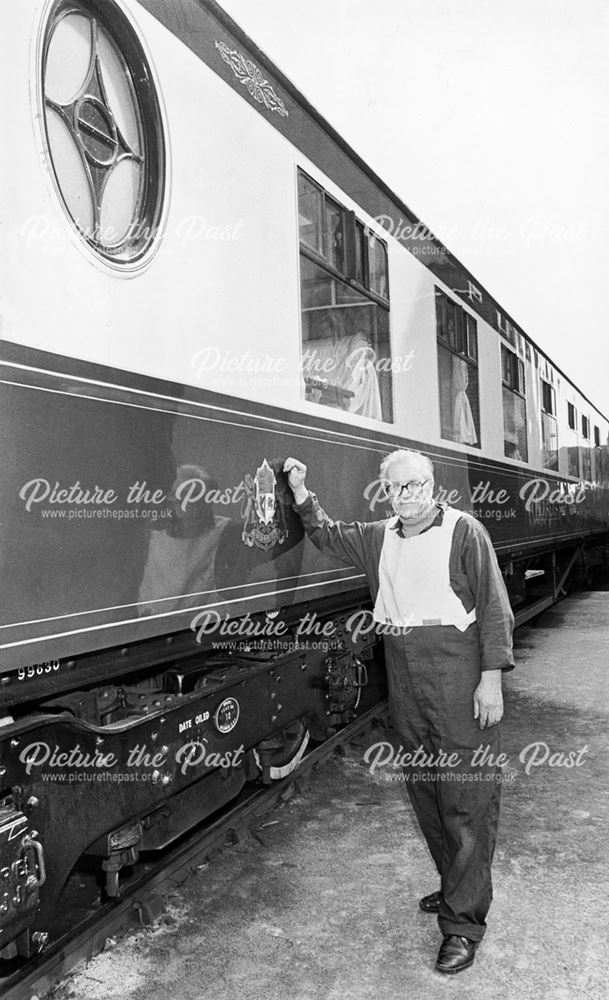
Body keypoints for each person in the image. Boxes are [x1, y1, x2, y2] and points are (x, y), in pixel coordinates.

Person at [283, 449, 514, 974]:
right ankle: (456, 885)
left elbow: (495, 609)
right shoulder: (377, 537)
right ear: (385, 491)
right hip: (405, 675)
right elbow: (327, 534)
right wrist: (300, 494)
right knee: (426, 791)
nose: (406, 495)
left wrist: (491, 679)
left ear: (432, 485)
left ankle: (463, 924)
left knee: (466, 798)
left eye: (415, 485)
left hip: (458, 675)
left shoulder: (465, 532)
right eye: (396, 488)